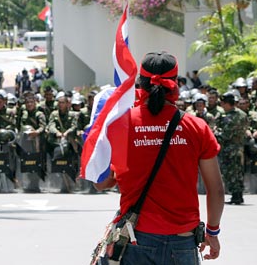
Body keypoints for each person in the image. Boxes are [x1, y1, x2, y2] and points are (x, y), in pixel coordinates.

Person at [94, 52, 224, 263]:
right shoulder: (197, 127)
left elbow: (102, 184)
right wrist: (213, 232)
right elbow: (216, 189)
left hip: (135, 240)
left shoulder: (121, 125)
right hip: (183, 243)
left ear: (140, 84)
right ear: (175, 84)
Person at [215, 93, 249, 205]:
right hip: (238, 146)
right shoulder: (242, 114)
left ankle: (236, 195)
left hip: (230, 147)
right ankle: (238, 195)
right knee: (237, 172)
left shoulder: (231, 116)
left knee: (231, 172)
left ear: (227, 103)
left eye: (223, 103)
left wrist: (214, 133)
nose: (221, 105)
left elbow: (226, 134)